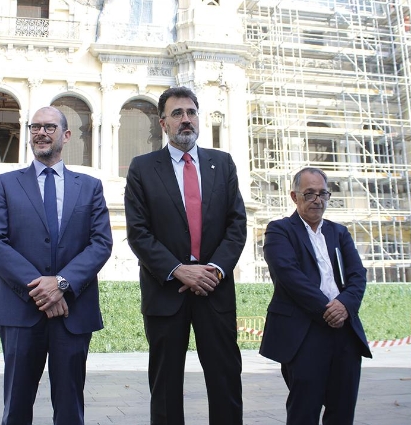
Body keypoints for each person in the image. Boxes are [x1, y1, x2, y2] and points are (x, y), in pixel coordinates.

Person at [124, 86, 247, 425]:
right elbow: (139, 233)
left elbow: (237, 225)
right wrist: (179, 269)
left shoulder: (222, 164)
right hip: (165, 293)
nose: (186, 119)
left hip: (215, 290)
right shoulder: (142, 169)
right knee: (165, 388)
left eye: (191, 112)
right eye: (177, 113)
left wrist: (215, 270)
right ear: (163, 123)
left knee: (225, 381)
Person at [0, 106, 113, 425]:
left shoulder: (90, 186)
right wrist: (42, 289)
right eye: (35, 127)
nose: (41, 133)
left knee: (70, 407)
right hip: (19, 311)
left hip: (73, 310)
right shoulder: (5, 184)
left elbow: (101, 243)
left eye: (49, 127)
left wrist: (62, 284)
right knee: (15, 406)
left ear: (66, 135)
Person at [259, 167, 372, 425]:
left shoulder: (339, 232)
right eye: (309, 194)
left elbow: (357, 275)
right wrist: (327, 309)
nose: (317, 200)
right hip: (305, 333)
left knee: (342, 410)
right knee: (304, 411)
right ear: (294, 196)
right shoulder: (279, 231)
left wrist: (344, 305)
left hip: (345, 331)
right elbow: (289, 277)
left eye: (323, 194)